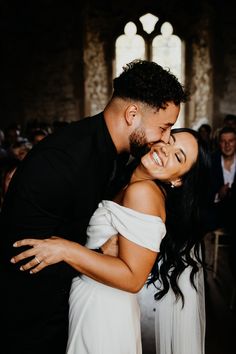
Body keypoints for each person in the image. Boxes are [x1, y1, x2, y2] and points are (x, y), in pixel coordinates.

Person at [0, 59, 188, 354]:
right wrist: (95, 253)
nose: (164, 140)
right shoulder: (61, 161)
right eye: (164, 128)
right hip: (34, 323)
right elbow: (21, 257)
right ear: (132, 114)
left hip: (74, 312)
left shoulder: (117, 156)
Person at [11, 128, 209, 354]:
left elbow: (134, 278)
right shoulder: (128, 180)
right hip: (90, 299)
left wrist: (66, 249)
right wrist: (98, 250)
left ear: (178, 180)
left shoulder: (143, 192)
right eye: (170, 140)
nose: (166, 150)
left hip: (104, 309)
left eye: (178, 156)